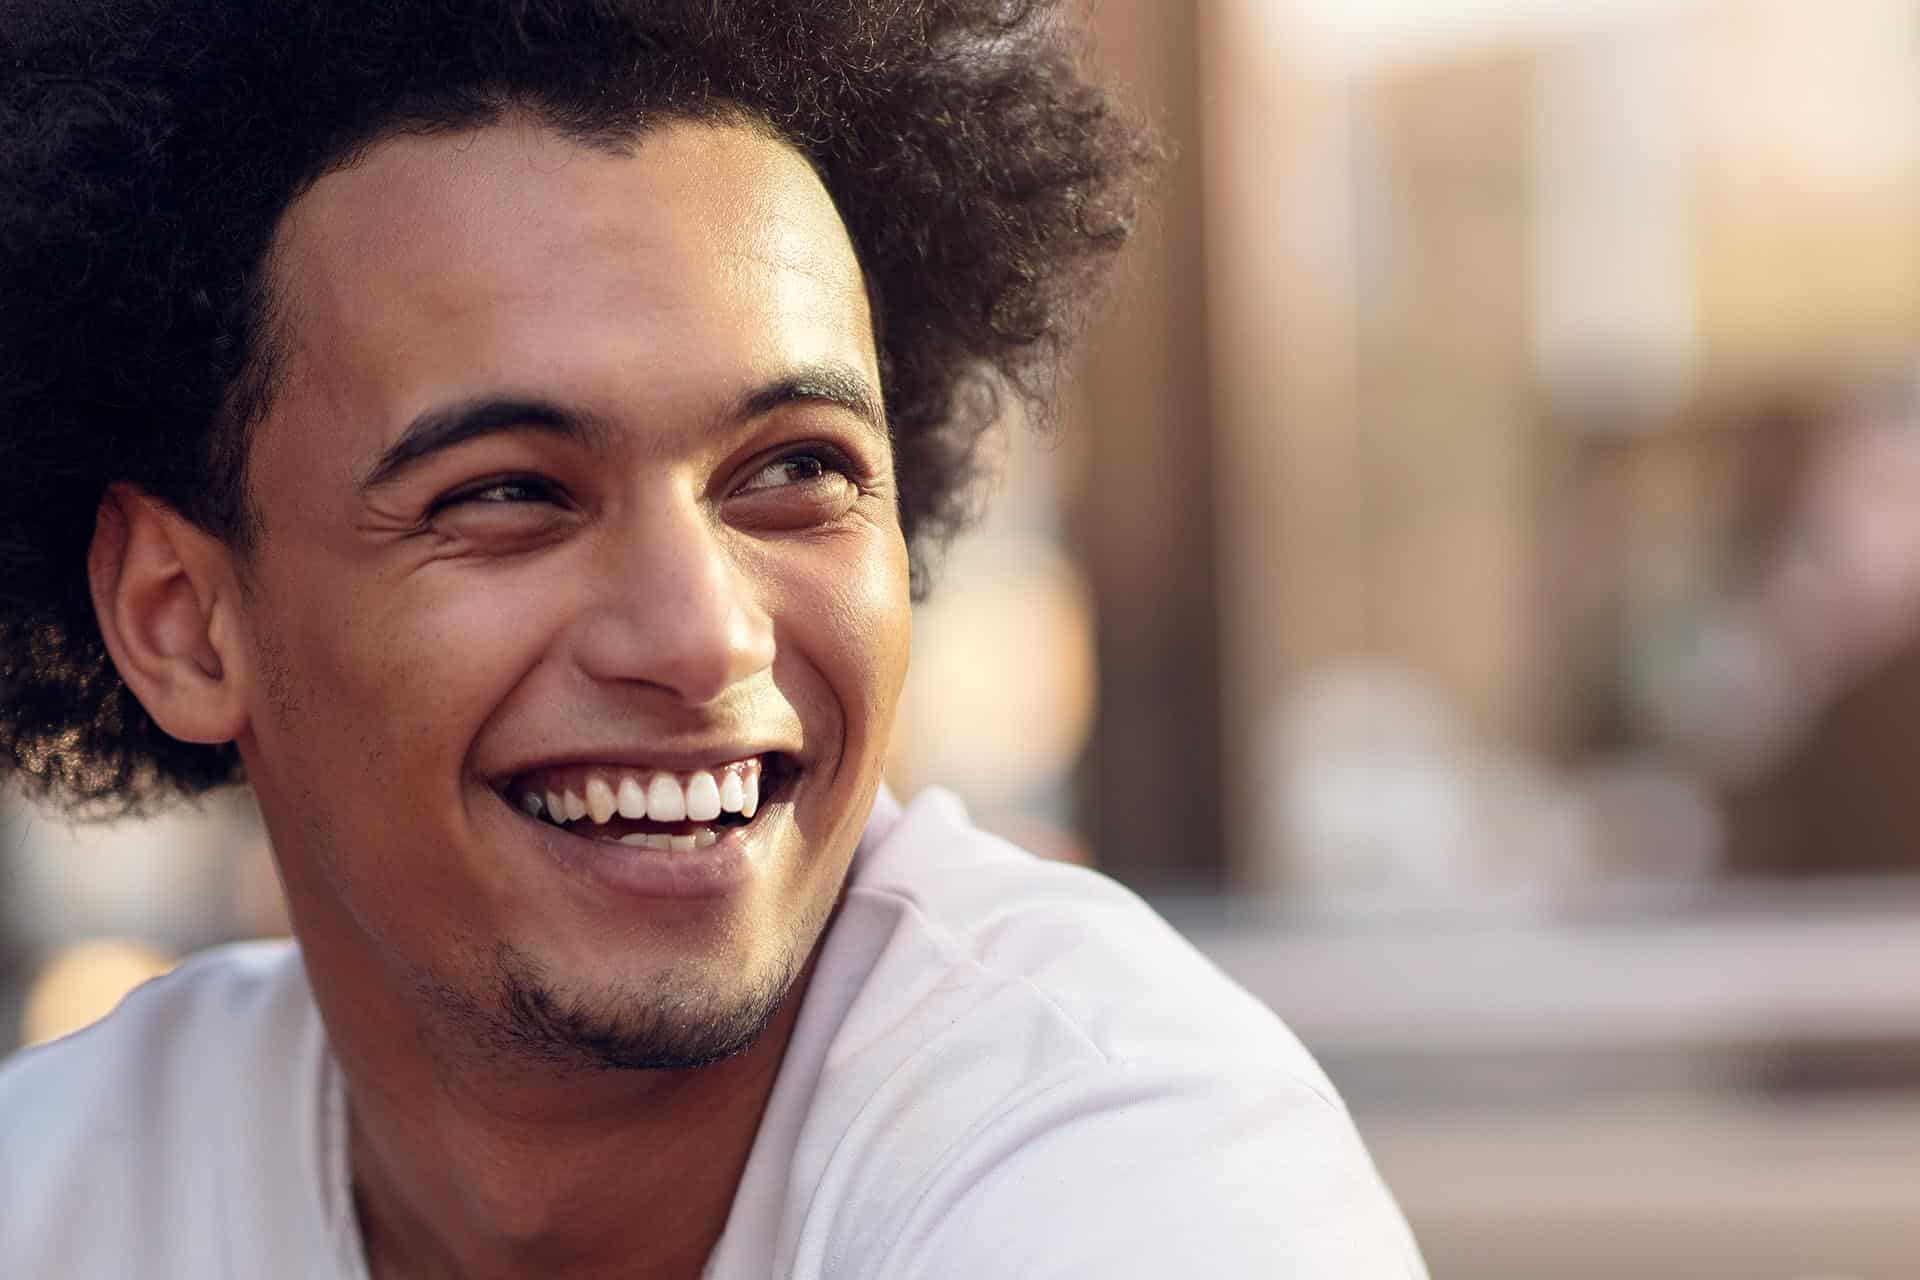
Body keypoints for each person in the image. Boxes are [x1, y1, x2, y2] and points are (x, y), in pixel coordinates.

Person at [0, 2, 1427, 1276]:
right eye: (507, 494)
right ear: (179, 619)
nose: (701, 636)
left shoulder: (1128, 1170)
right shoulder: (66, 1192)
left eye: (793, 472)